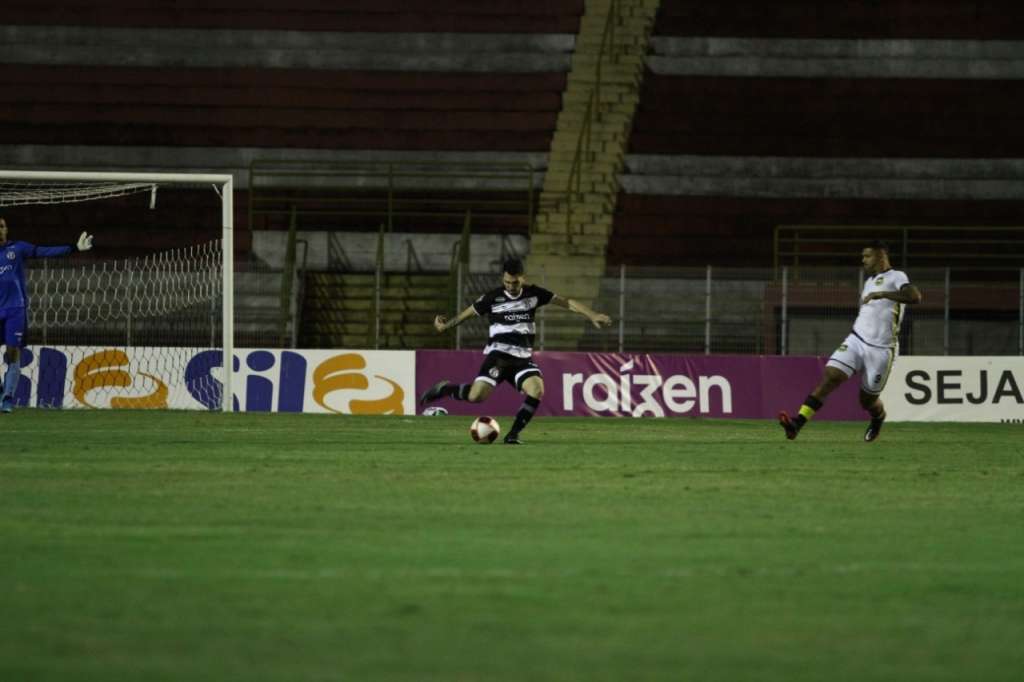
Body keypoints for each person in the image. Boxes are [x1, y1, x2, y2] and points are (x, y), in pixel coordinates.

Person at [420, 257, 611, 444]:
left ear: (523, 278)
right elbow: (466, 314)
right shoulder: (492, 297)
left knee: (537, 389)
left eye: (514, 282)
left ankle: (513, 434)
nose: (510, 286)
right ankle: (445, 389)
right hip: (499, 356)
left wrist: (592, 315)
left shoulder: (534, 294)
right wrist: (446, 326)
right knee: (476, 397)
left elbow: (566, 302)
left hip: (522, 358)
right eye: (506, 282)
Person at [778, 240, 922, 442]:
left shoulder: (896, 276)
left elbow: (915, 296)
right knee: (831, 377)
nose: (863, 260)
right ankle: (796, 424)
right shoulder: (869, 281)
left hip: (882, 350)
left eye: (867, 256)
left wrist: (882, 293)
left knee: (867, 401)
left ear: (881, 255)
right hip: (857, 340)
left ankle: (878, 417)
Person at [0, 217, 94, 413]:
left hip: (15, 309)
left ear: (6, 229)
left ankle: (8, 398)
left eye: (0, 226)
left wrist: (73, 248)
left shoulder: (16, 248)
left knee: (12, 354)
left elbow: (42, 251)